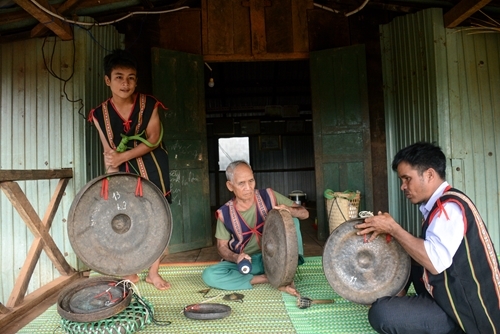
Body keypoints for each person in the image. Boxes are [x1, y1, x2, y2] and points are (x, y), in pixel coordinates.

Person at [356, 142, 500, 334]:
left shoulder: (449, 208)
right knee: (407, 252)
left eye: (407, 179)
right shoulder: (439, 205)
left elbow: (434, 262)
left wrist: (394, 229)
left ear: (430, 174)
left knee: (382, 314)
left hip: (466, 312)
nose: (403, 187)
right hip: (448, 299)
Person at [88, 49, 172, 290]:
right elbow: (108, 151)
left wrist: (123, 155)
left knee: (158, 218)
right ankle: (132, 270)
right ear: (107, 80)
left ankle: (153, 273)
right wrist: (112, 169)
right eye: (119, 77)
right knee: (127, 219)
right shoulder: (98, 114)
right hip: (124, 176)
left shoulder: (150, 104)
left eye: (131, 77)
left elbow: (153, 139)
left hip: (154, 168)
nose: (126, 83)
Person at [202, 160, 309, 296]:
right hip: (249, 264)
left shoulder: (269, 195)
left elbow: (304, 214)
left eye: (251, 181)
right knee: (209, 275)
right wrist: (236, 258)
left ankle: (288, 273)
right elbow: (221, 247)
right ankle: (266, 278)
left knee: (293, 220)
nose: (248, 187)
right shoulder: (224, 213)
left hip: (278, 257)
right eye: (241, 183)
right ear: (230, 186)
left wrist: (288, 209)